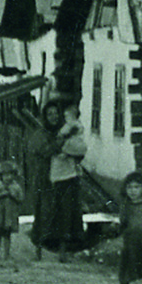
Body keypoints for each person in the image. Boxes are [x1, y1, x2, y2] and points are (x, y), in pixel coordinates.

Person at [33, 98, 88, 262]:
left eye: (56, 113)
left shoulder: (67, 130)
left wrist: (68, 147)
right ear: (45, 116)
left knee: (66, 213)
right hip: (45, 178)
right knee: (44, 213)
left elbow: (81, 151)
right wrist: (63, 144)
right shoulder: (40, 133)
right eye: (49, 114)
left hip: (66, 177)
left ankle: (63, 251)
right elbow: (45, 151)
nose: (53, 117)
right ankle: (39, 251)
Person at [0, 159, 23, 264]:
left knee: (7, 236)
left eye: (11, 175)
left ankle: (6, 255)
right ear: (0, 176)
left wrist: (13, 196)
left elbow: (21, 199)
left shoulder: (16, 187)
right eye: (6, 175)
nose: (8, 178)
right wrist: (0, 195)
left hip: (9, 216)